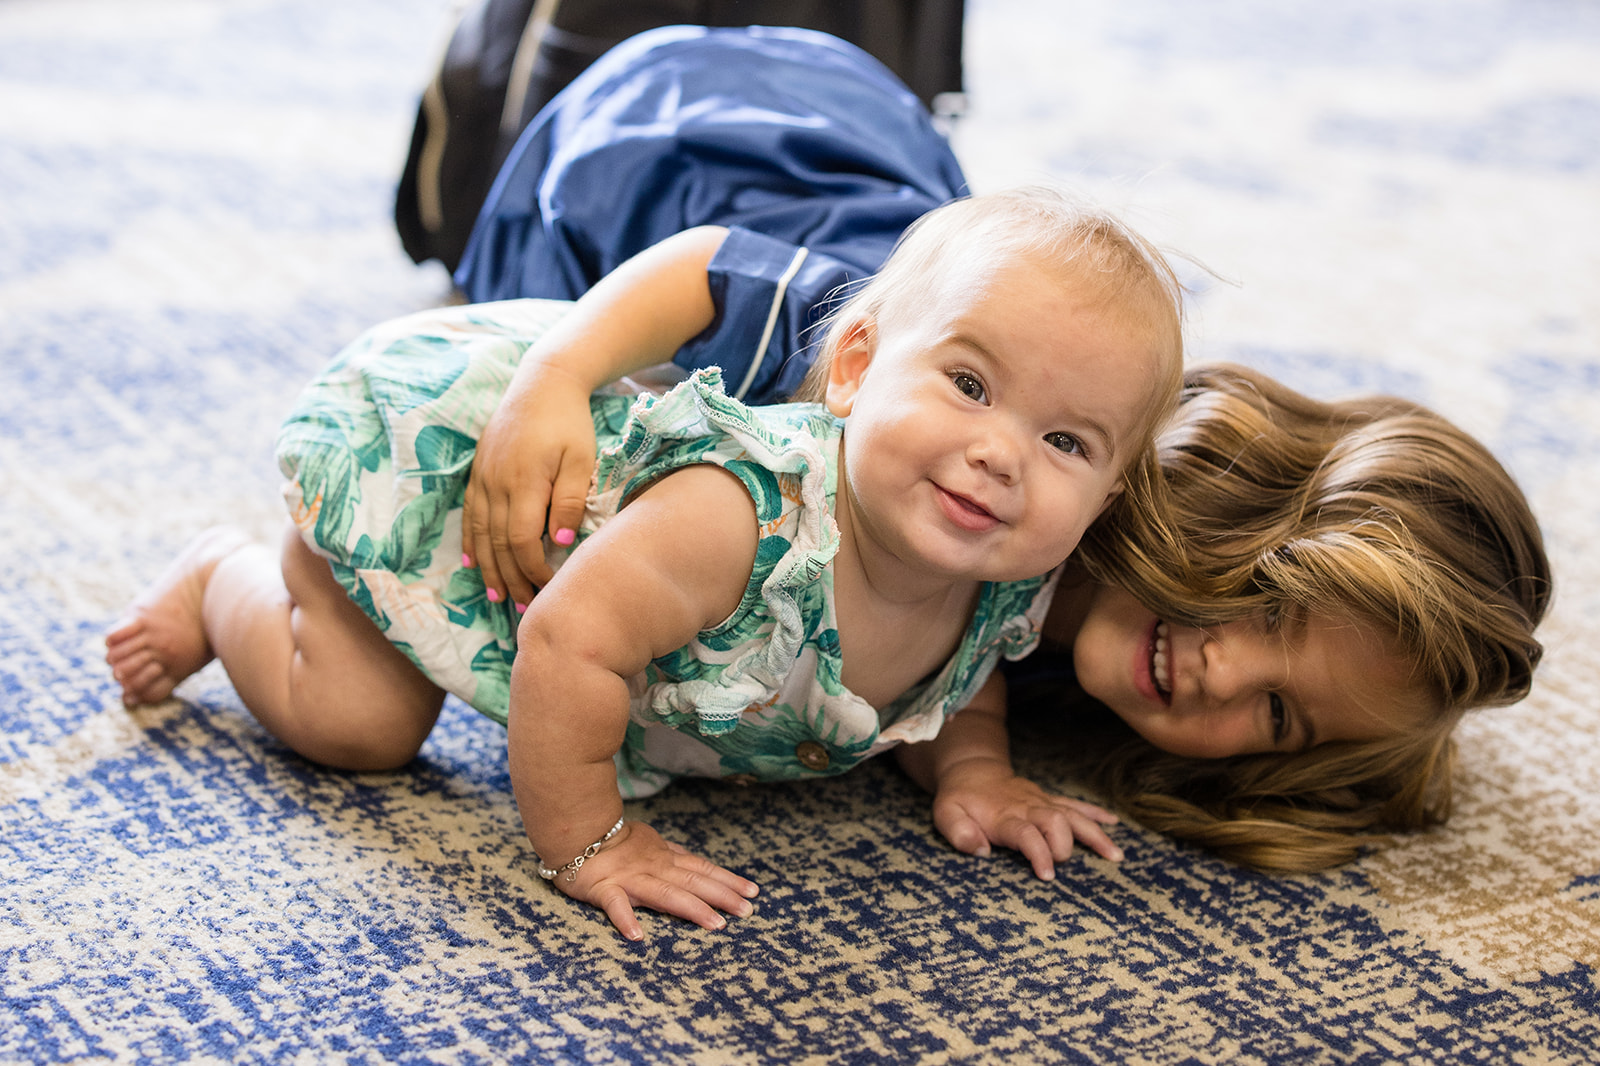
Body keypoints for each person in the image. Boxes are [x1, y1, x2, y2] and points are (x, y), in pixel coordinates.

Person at [435, 23, 1553, 875]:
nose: (1223, 673)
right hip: (660, 148)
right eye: (1267, 611)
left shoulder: (1052, 540)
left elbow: (943, 685)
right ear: (1242, 498)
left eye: (1276, 715)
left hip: (879, 149)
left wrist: (981, 773)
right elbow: (707, 268)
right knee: (499, 305)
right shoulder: (917, 396)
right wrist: (556, 377)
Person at [105, 187, 1190, 941]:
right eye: (967, 383)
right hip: (454, 514)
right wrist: (591, 845)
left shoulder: (1006, 573)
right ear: (855, 369)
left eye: (1066, 443)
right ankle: (228, 577)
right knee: (355, 724)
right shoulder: (744, 519)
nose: (1001, 453)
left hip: (564, 592)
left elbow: (959, 681)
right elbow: (568, 639)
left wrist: (975, 773)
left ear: (1106, 491)